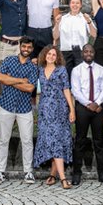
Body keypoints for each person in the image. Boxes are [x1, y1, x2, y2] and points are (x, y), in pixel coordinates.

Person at [0, 36, 39, 184]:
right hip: (6, 105)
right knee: (3, 140)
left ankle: (28, 172)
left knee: (27, 140)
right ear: (20, 46)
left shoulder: (33, 68)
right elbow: (0, 77)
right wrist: (20, 80)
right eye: (24, 46)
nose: (26, 49)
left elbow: (30, 87)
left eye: (29, 47)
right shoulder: (9, 60)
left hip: (24, 108)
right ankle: (0, 171)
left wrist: (10, 79)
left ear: (32, 49)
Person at [34, 45, 76, 189]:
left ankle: (63, 178)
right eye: (49, 54)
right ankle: (53, 173)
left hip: (59, 110)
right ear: (44, 55)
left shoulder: (61, 70)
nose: (51, 56)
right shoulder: (39, 70)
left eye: (54, 54)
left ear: (57, 57)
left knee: (58, 141)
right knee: (51, 141)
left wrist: (72, 109)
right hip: (45, 110)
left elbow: (66, 89)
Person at [70, 43, 103, 186]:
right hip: (82, 108)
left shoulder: (101, 70)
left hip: (98, 109)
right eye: (86, 51)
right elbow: (75, 91)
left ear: (94, 54)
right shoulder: (76, 70)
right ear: (82, 54)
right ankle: (76, 173)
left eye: (91, 51)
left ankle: (102, 173)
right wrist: (88, 104)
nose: (88, 53)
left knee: (99, 141)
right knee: (80, 141)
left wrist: (97, 103)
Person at [54, 0, 96, 76]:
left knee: (81, 76)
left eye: (77, 3)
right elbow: (55, 36)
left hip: (80, 52)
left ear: (81, 5)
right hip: (66, 52)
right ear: (69, 4)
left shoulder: (85, 18)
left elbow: (94, 34)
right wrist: (56, 24)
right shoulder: (63, 18)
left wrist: (89, 22)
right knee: (66, 76)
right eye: (73, 3)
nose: (75, 5)